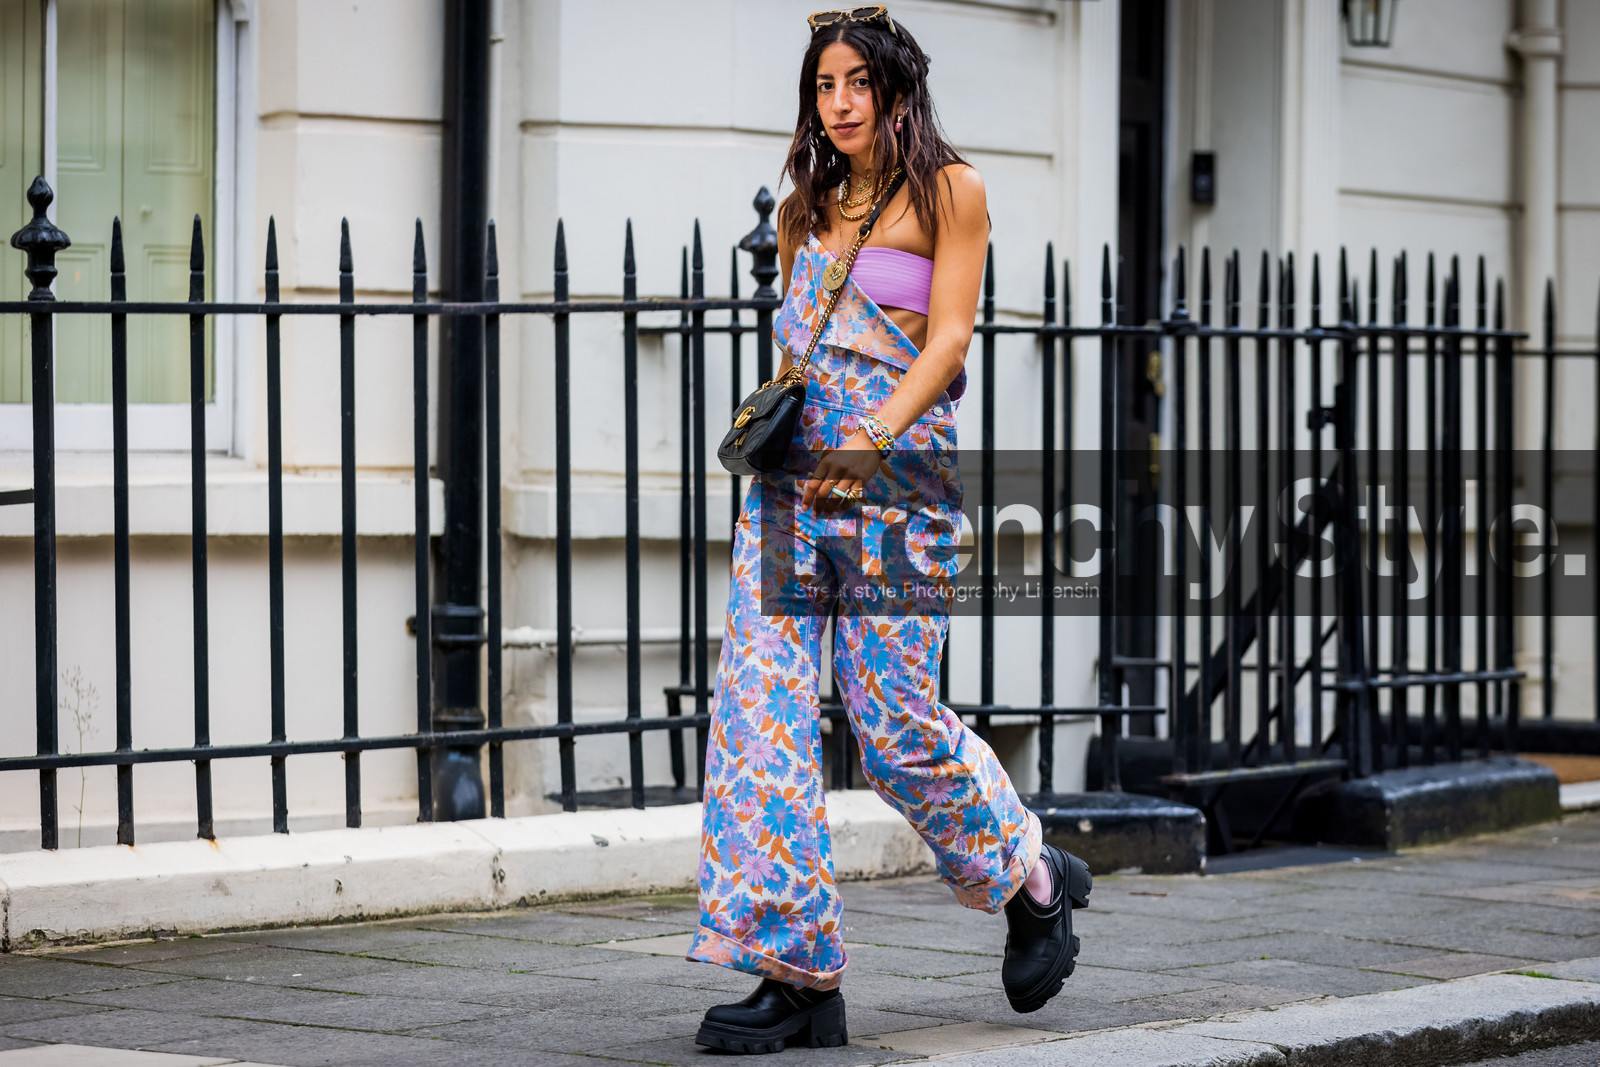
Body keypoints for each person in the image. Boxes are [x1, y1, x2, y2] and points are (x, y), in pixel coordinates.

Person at [688, 7, 1091, 1054]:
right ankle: (795, 972)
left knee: (893, 728)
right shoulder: (803, 207)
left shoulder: (953, 191)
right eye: (824, 85)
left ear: (897, 88)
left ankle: (1030, 875)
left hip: (896, 489)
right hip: (787, 496)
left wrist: (871, 435)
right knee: (758, 725)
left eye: (858, 81)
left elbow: (950, 334)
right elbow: (800, 348)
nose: (840, 102)